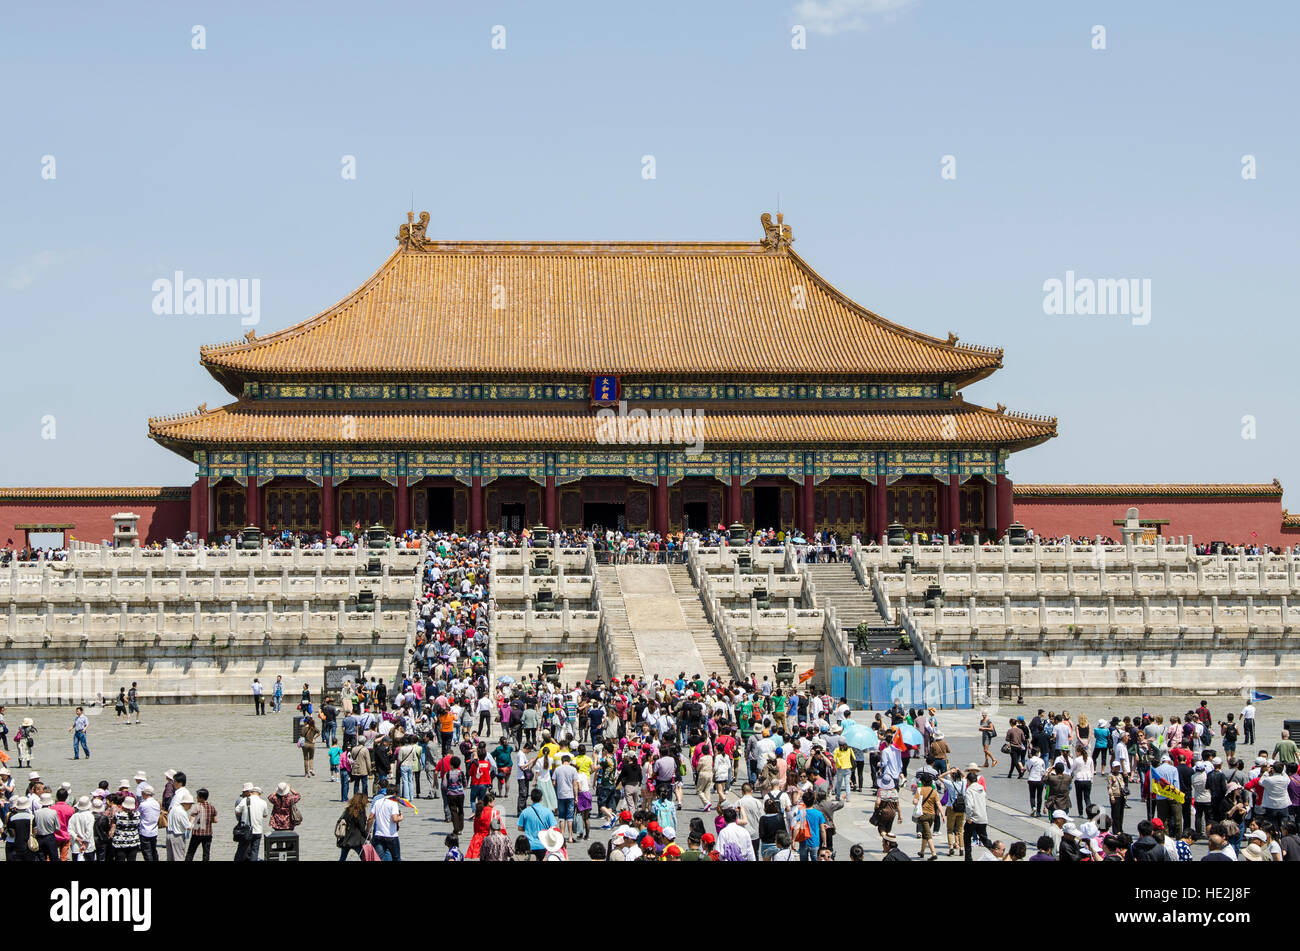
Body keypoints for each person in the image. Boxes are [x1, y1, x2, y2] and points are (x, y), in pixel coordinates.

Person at [516, 787, 557, 860]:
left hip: (529, 845)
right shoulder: (548, 812)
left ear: (531, 798)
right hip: (543, 845)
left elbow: (519, 828)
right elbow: (553, 828)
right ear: (541, 798)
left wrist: (528, 828)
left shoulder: (525, 812)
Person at [369, 782, 403, 861]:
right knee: (396, 858)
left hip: (378, 835)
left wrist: (368, 829)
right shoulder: (393, 803)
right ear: (394, 793)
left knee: (378, 858)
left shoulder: (378, 802)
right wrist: (400, 818)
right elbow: (394, 819)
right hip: (391, 835)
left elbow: (370, 817)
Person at [335, 792, 369, 861]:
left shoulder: (348, 810)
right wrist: (367, 836)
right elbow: (362, 828)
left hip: (346, 838)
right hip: (356, 840)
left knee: (342, 858)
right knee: (364, 858)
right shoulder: (360, 812)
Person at [185, 788, 216, 861]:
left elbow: (192, 818)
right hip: (208, 834)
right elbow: (215, 820)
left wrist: (189, 826)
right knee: (206, 853)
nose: (196, 797)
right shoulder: (212, 807)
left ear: (201, 798)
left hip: (197, 833)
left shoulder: (197, 807)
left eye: (197, 796)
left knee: (191, 852)